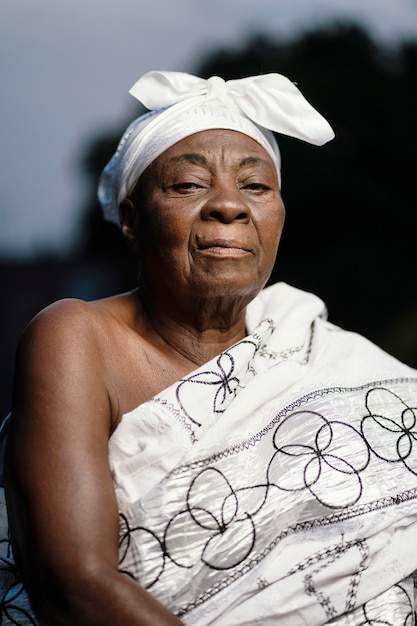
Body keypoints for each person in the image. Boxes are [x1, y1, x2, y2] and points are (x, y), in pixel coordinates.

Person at [2, 70, 417, 626]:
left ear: (279, 216)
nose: (229, 206)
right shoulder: (78, 338)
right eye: (188, 185)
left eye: (255, 186)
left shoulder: (330, 360)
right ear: (132, 219)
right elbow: (73, 583)